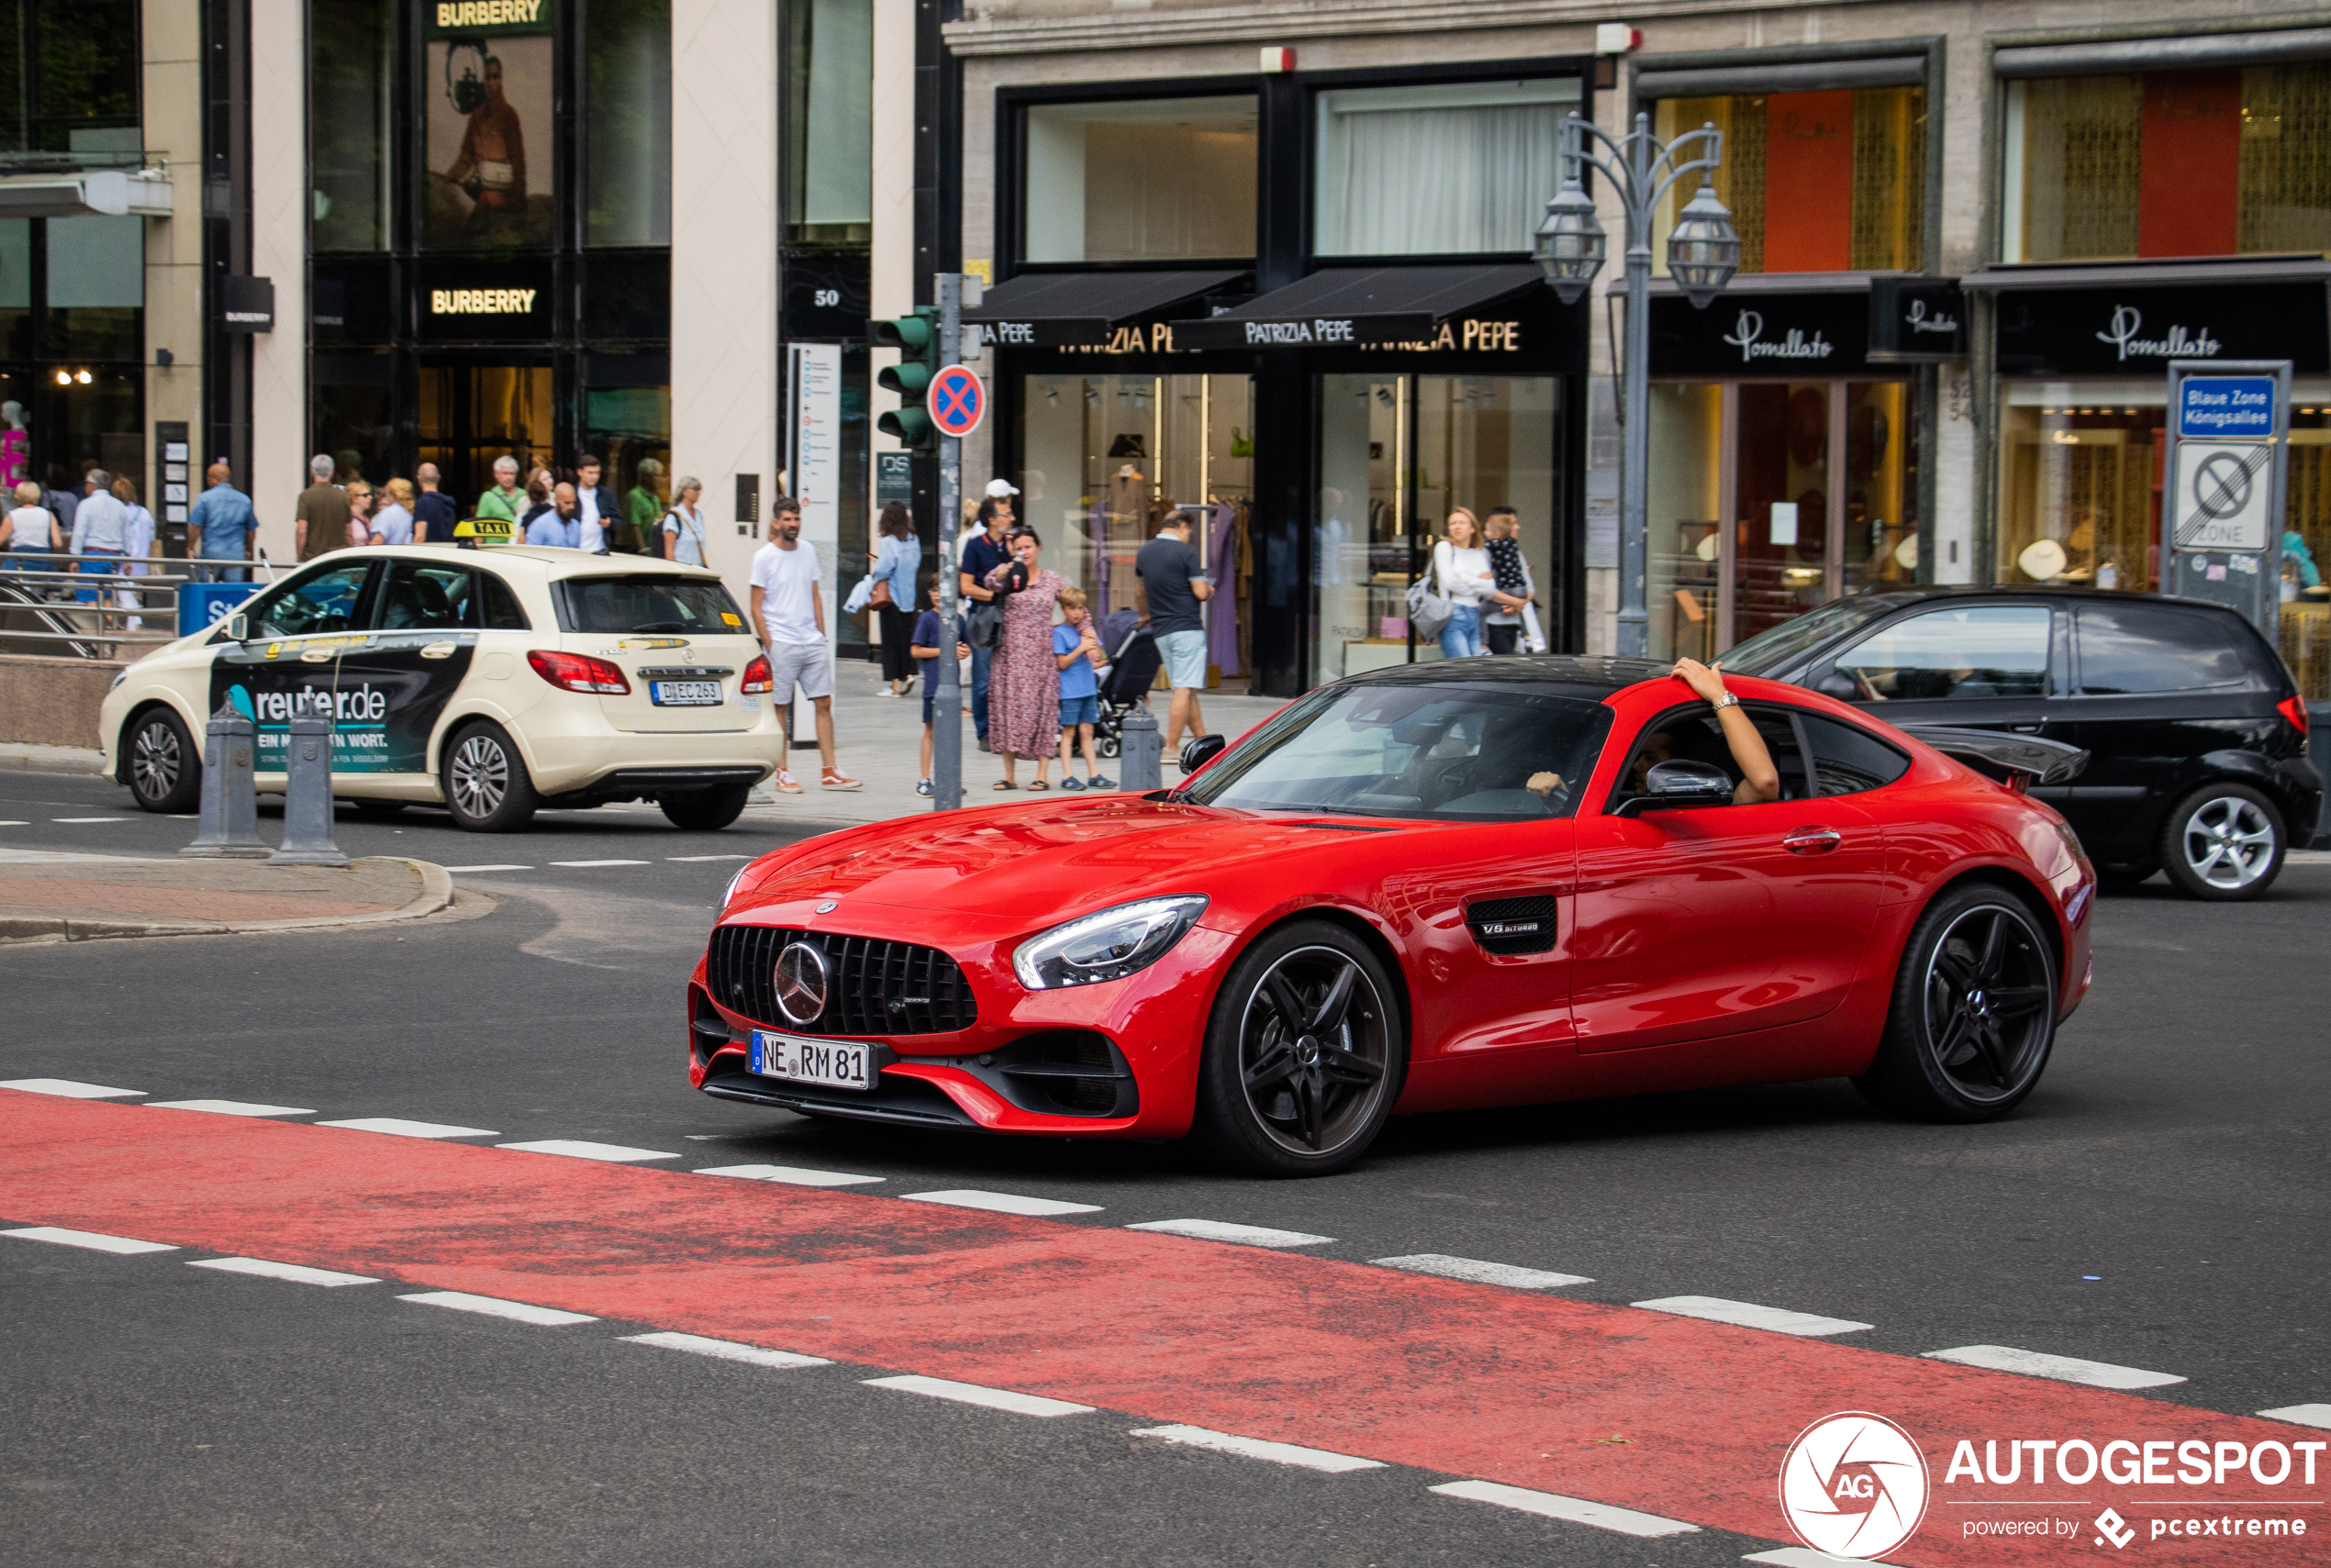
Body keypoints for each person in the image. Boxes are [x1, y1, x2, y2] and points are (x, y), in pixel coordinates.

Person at [748, 497, 861, 792]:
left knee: (824, 702)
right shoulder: (763, 557)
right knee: (780, 708)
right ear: (776, 523)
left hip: (810, 641)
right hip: (781, 643)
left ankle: (830, 770)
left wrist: (820, 635)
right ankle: (782, 772)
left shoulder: (808, 550)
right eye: (787, 520)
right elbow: (756, 607)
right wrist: (770, 644)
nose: (793, 525)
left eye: (796, 520)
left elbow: (814, 595)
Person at [1627, 658, 1781, 806]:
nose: (1636, 765)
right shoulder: (1627, 808)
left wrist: (1717, 695)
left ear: (1683, 766)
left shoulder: (1714, 814)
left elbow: (1764, 782)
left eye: (1650, 757)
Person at [983, 526, 1065, 790]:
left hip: (1040, 656)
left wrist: (1087, 633)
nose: (1024, 552)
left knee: (1043, 710)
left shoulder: (1052, 579)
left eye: (1028, 546)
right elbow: (989, 582)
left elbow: (1075, 604)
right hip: (1008, 655)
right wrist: (1003, 569)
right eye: (1019, 547)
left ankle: (1042, 774)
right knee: (1007, 710)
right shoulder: (1008, 576)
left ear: (1038, 548)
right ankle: (1008, 775)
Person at [1135, 507, 1214, 760]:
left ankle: (1204, 741)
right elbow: (1200, 592)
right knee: (1183, 687)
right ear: (1182, 526)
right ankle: (1171, 747)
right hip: (1187, 627)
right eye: (1189, 529)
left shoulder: (1144, 551)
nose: (1189, 534)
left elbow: (1140, 591)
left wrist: (1144, 614)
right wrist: (1210, 590)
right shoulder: (1187, 552)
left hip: (1161, 629)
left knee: (1186, 687)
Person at [444, 53, 527, 241]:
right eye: (488, 77)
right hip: (479, 185)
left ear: (501, 80)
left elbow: (518, 160)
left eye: (495, 77)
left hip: (501, 191)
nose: (491, 83)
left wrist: (519, 203)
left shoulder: (509, 115)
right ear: (482, 80)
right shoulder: (476, 116)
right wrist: (452, 176)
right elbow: (465, 154)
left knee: (471, 231)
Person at [958, 495, 1013, 751]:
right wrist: (994, 596)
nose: (1011, 518)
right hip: (983, 616)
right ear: (991, 520)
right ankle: (985, 733)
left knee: (1009, 678)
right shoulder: (975, 546)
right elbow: (966, 586)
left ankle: (1007, 730)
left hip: (1011, 616)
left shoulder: (1011, 546)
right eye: (1006, 514)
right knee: (983, 680)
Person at [909, 573, 970, 798]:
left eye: (942, 591)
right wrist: (945, 651)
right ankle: (924, 779)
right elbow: (915, 650)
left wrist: (963, 652)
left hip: (952, 685)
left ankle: (949, 778)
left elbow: (965, 647)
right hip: (933, 686)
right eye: (933, 591)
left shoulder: (958, 619)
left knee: (951, 732)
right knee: (931, 730)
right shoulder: (926, 619)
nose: (937, 595)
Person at [857, 501, 921, 698]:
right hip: (908, 597)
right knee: (904, 638)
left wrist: (876, 569)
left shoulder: (888, 542)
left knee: (891, 641)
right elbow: (916, 562)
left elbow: (884, 569)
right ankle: (908, 674)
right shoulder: (913, 540)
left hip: (891, 597)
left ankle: (895, 687)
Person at [1053, 585, 1113, 792]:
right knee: (1069, 732)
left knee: (1087, 731)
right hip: (1070, 691)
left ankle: (1094, 774)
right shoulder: (1059, 632)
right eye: (1072, 608)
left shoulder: (1088, 630)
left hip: (1088, 689)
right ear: (1063, 609)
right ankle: (1067, 775)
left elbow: (1098, 658)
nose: (1077, 613)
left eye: (1080, 608)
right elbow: (1061, 663)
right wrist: (1080, 647)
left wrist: (1093, 642)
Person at [1432, 508, 1491, 660]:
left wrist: (1463, 577)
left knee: (1475, 668)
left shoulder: (1479, 552)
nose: (1457, 527)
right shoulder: (1445, 547)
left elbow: (1490, 588)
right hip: (1453, 613)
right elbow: (1450, 582)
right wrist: (1478, 584)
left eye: (1462, 523)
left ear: (1472, 528)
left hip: (1474, 614)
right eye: (1452, 523)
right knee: (1463, 667)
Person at [1480, 506, 1538, 655]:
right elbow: (1486, 589)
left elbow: (1529, 589)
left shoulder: (1517, 554)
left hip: (1513, 622)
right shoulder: (1485, 552)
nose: (1517, 527)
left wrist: (1518, 604)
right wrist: (1516, 602)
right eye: (1512, 523)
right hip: (1493, 623)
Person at [69, 467, 130, 604]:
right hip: (115, 556)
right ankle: (110, 624)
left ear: (92, 484)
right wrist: (127, 557)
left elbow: (79, 532)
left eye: (86, 483)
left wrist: (74, 557)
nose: (85, 486)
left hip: (93, 556)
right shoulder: (119, 505)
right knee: (107, 598)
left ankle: (96, 625)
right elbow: (126, 533)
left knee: (90, 597)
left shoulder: (86, 504)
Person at [185, 462, 256, 582]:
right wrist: (248, 550)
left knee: (206, 591)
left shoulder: (204, 499)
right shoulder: (244, 500)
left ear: (214, 479)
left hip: (211, 555)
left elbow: (196, 527)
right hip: (235, 556)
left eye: (208, 477)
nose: (207, 480)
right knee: (234, 592)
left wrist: (190, 548)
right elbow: (250, 531)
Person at [111, 476, 154, 628]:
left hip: (125, 561)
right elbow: (151, 537)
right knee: (130, 594)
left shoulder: (118, 512)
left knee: (124, 594)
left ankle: (136, 624)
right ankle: (133, 625)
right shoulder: (145, 513)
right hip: (142, 563)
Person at [0, 480, 59, 590]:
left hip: (18, 563)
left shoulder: (13, 515)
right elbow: (57, 543)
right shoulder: (48, 514)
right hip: (42, 563)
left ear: (18, 496)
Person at [294, 453, 349, 561]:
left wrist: (299, 557)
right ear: (331, 473)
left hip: (313, 560)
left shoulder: (306, 496)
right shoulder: (342, 496)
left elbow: (301, 531)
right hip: (338, 559)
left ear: (312, 472)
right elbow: (348, 531)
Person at [574, 455, 617, 553]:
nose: (594, 477)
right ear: (580, 472)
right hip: (576, 550)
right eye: (590, 473)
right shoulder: (572, 494)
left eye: (597, 473)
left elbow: (618, 519)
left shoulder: (606, 494)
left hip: (600, 550)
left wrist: (610, 522)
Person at [662, 474, 708, 565]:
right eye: (695, 489)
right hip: (682, 571)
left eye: (699, 490)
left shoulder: (699, 516)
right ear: (684, 491)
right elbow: (669, 549)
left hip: (698, 570)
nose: (698, 492)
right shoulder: (674, 517)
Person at [625, 458, 666, 555]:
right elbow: (635, 526)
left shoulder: (655, 497)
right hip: (637, 551)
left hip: (654, 549)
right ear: (645, 476)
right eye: (655, 475)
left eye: (660, 475)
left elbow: (658, 520)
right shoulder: (635, 496)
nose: (659, 479)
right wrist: (643, 550)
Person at [524, 482, 581, 547]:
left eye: (573, 502)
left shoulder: (576, 526)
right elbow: (530, 552)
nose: (572, 507)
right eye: (567, 503)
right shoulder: (540, 525)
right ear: (556, 500)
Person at [412, 463, 460, 543]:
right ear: (438, 478)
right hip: (448, 550)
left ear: (418, 479)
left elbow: (420, 537)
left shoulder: (422, 502)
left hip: (430, 552)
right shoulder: (448, 503)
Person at [474, 456, 524, 530]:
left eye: (512, 474)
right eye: (505, 473)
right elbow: (479, 526)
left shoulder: (524, 494)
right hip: (494, 541)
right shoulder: (488, 497)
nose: (509, 477)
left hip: (519, 541)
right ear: (496, 474)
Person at [372, 478, 416, 545]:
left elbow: (377, 541)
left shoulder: (388, 513)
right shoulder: (408, 514)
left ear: (391, 494)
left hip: (387, 553)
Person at [342, 478, 374, 549]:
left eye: (370, 494)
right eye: (365, 495)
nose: (370, 497)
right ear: (354, 498)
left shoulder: (365, 519)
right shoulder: (347, 518)